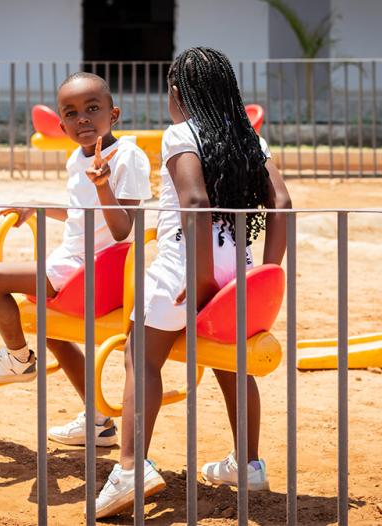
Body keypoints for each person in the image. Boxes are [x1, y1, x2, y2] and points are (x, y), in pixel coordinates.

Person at [95, 47, 293, 518]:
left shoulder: (180, 134)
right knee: (233, 364)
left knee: (142, 358)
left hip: (184, 267)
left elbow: (196, 203)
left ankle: (130, 469)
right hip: (239, 271)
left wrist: (199, 279)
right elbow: (282, 203)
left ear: (176, 93)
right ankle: (248, 465)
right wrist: (266, 275)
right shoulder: (251, 139)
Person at [0, 72, 152, 447]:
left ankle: (18, 359)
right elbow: (80, 213)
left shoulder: (128, 156)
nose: (82, 118)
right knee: (52, 330)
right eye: (71, 113)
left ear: (113, 114)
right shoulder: (76, 159)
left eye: (92, 108)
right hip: (77, 264)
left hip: (99, 269)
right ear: (62, 125)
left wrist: (103, 185)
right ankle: (98, 422)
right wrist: (36, 207)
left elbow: (122, 228)